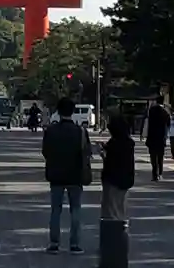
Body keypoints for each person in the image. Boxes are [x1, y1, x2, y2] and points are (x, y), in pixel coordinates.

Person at [42, 97, 91, 255]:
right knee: (75, 210)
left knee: (56, 210)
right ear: (73, 111)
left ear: (58, 111)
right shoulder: (80, 132)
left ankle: (54, 243)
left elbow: (45, 152)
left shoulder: (51, 130)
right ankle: (75, 244)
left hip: (56, 175)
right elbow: (87, 152)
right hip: (75, 175)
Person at [100, 116, 135, 220]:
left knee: (110, 210)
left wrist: (103, 155)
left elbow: (110, 162)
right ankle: (121, 229)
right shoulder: (129, 143)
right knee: (121, 207)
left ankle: (114, 232)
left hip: (112, 180)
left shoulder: (113, 144)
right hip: (126, 180)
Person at [144, 95, 170, 181]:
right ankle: (160, 173)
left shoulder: (151, 110)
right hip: (161, 138)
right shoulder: (165, 112)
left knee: (153, 157)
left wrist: (144, 134)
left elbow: (147, 123)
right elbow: (168, 125)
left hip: (152, 137)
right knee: (160, 157)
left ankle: (154, 174)